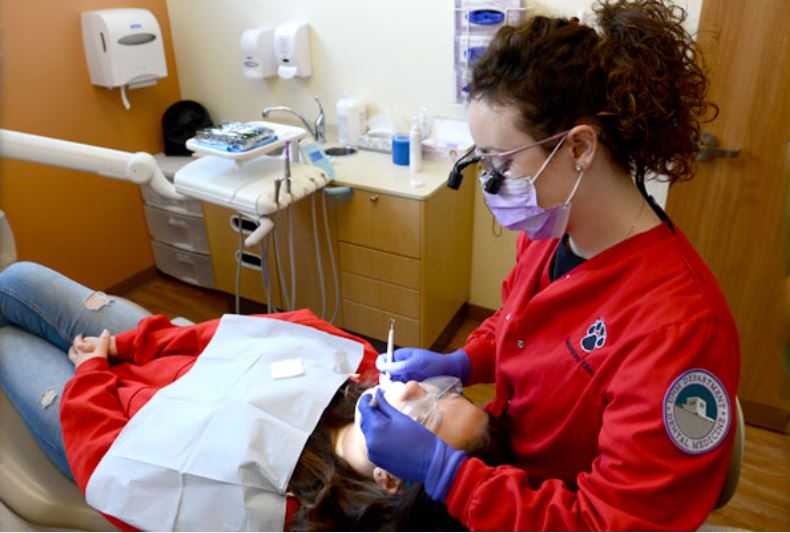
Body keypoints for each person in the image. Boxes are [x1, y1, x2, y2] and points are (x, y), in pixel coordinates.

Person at [359, 0, 741, 530]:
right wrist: (465, 363)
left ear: (579, 147)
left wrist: (446, 474)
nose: (492, 184)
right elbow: (521, 330)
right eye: (484, 162)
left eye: (503, 162)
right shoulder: (552, 231)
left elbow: (610, 524)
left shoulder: (678, 329)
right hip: (507, 473)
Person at [0, 261, 510, 531]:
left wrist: (92, 375)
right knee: (15, 282)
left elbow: (114, 468)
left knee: (5, 341)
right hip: (159, 356)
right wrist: (134, 344)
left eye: (426, 415)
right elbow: (234, 333)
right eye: (447, 393)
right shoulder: (355, 363)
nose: (418, 386)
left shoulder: (272, 515)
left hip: (101, 423)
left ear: (391, 476)